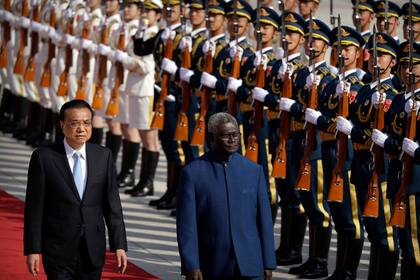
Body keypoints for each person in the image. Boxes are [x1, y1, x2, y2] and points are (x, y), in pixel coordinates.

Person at [24, 99, 128, 279]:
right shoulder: (44, 157)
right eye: (74, 123)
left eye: (86, 123)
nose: (81, 128)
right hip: (57, 250)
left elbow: (112, 206)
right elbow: (34, 208)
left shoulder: (103, 156)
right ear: (62, 125)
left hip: (92, 249)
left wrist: (119, 245)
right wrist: (33, 249)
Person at [177, 112, 276, 279]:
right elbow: (187, 226)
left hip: (250, 264)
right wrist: (191, 264)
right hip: (212, 264)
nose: (232, 140)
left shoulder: (254, 171)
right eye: (225, 136)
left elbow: (264, 222)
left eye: (235, 135)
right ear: (211, 138)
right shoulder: (192, 173)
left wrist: (268, 262)